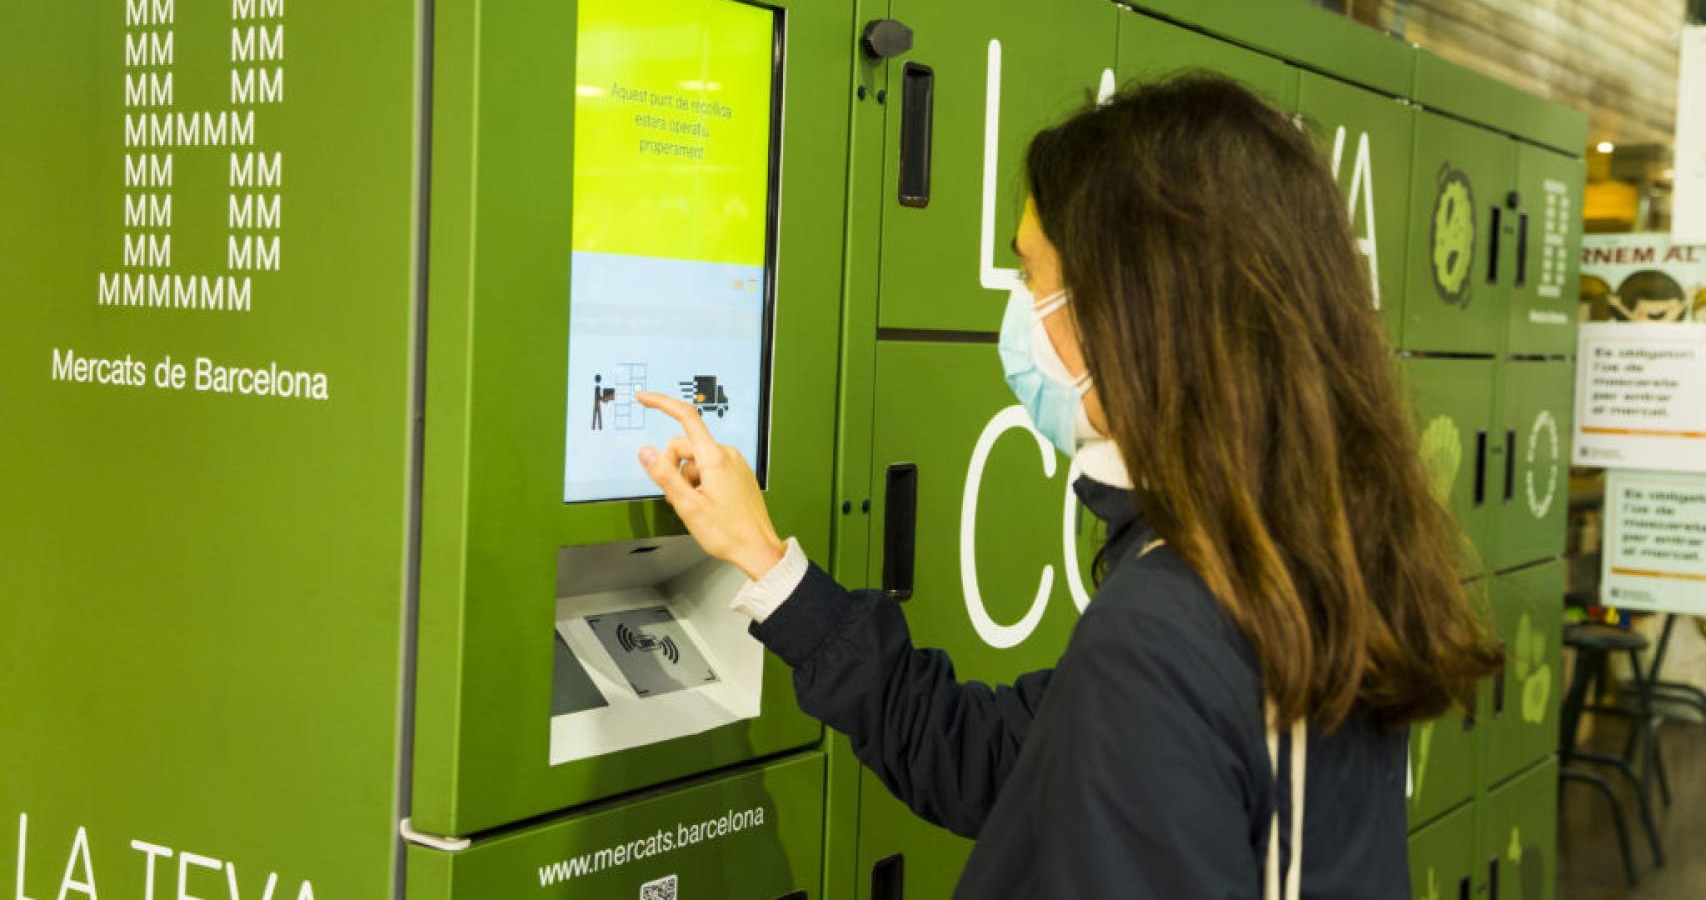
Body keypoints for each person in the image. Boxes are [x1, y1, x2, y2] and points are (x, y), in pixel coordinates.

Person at [633, 74, 1500, 899]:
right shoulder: (1283, 563)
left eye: (1032, 275)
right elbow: (1001, 762)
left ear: (1135, 310)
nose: (1018, 311)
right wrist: (767, 564)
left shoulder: (1169, 625)